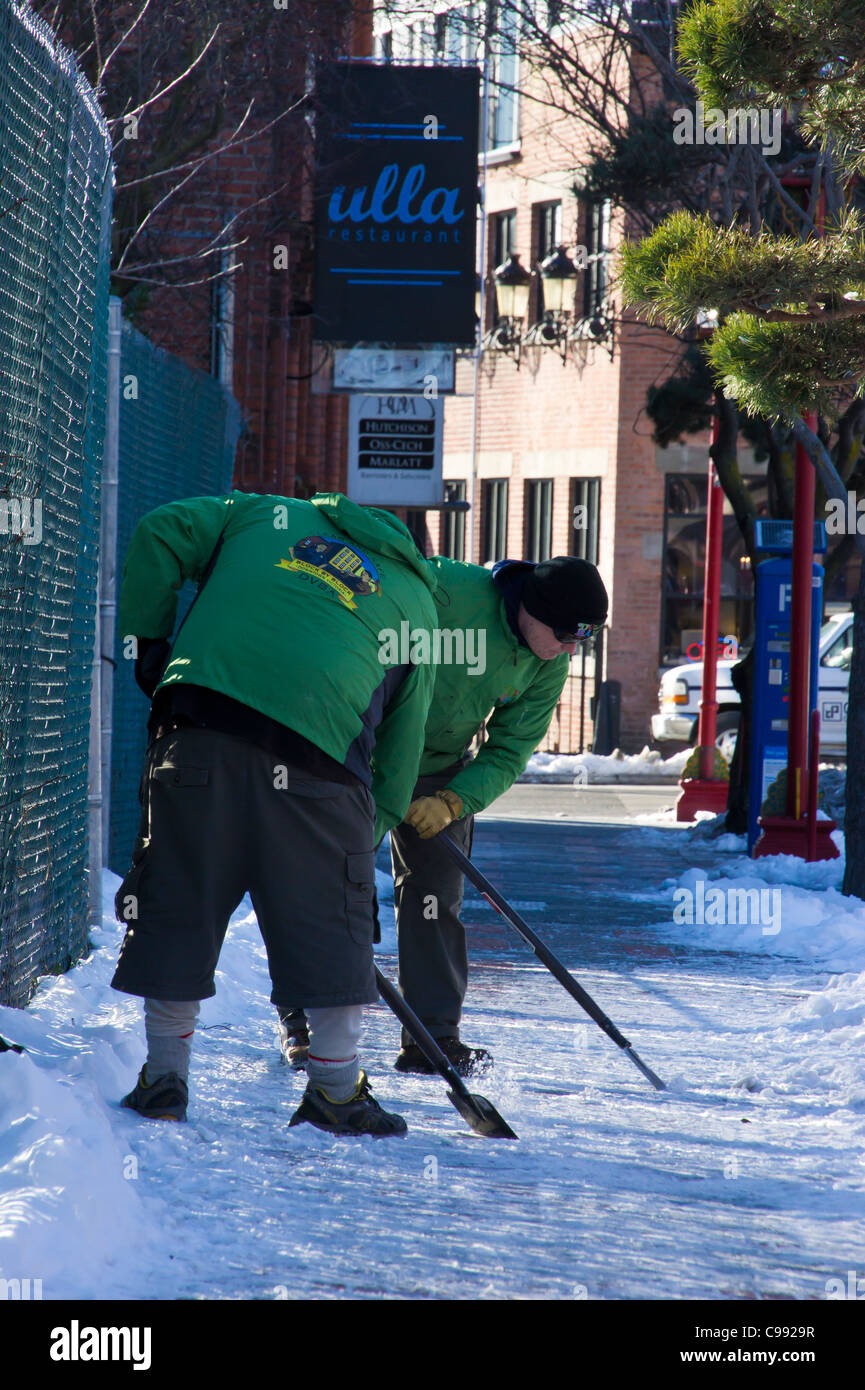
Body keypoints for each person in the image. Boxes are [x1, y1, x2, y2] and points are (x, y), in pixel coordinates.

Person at [112, 489, 438, 1137]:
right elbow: (399, 760)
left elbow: (158, 527)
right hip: (320, 766)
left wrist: (147, 640)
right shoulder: (419, 606)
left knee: (179, 901)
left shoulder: (258, 514)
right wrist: (355, 843)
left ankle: (164, 1080)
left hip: (198, 728)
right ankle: (336, 1092)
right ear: (412, 554)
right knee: (334, 928)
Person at [277, 553, 609, 1077]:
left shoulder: (548, 662)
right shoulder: (444, 590)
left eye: (580, 642)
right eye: (566, 636)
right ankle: (303, 1019)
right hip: (357, 745)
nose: (570, 651)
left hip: (438, 769)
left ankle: (431, 1037)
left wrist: (452, 801)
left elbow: (507, 751)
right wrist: (371, 766)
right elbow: (358, 639)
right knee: (328, 879)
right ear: (532, 609)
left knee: (435, 899)